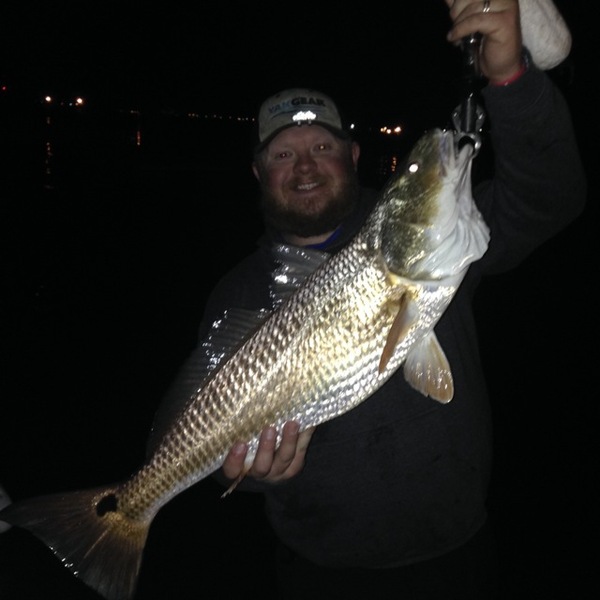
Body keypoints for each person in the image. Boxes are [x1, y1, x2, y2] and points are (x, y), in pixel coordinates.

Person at [156, 1, 586, 598]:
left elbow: (551, 195)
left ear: (353, 157)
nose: (304, 167)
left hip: (456, 555)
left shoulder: (446, 242)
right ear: (259, 173)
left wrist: (510, 78)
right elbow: (217, 441)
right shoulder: (237, 293)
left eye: (322, 147)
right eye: (283, 154)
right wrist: (255, 475)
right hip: (319, 574)